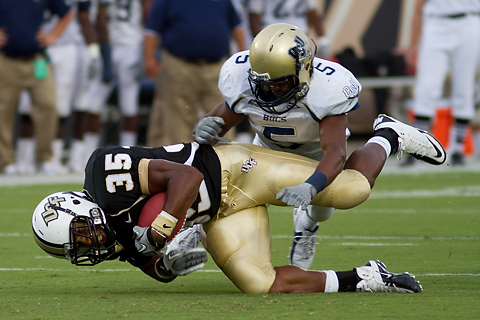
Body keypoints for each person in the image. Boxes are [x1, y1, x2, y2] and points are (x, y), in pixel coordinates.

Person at [173, 23, 446, 271]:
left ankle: (388, 136)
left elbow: (336, 153)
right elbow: (220, 121)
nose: (270, 94)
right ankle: (191, 225)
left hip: (315, 155)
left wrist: (311, 185)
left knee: (340, 199)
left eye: (279, 85)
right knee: (217, 173)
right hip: (265, 149)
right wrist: (206, 128)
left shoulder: (327, 88)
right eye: (263, 85)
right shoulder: (243, 79)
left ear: (303, 70)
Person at [32, 139, 426, 294]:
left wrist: (159, 232)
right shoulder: (114, 236)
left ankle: (386, 137)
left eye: (82, 235)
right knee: (259, 284)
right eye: (79, 249)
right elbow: (152, 267)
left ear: (80, 208)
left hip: (234, 169)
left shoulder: (104, 173)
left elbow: (187, 177)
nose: (91, 244)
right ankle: (367, 277)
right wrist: (170, 264)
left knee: (349, 190)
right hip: (218, 215)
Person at [143, 0, 247, 147]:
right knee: (178, 120)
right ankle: (181, 163)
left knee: (223, 116)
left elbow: (236, 26)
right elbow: (152, 30)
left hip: (217, 67)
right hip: (179, 65)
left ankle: (223, 164)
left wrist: (243, 56)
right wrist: (149, 59)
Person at [15, 0, 101, 175]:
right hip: (35, 48)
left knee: (59, 106)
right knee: (28, 105)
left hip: (66, 46)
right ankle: (25, 158)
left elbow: (80, 15)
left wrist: (93, 52)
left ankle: (51, 157)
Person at [0, 0, 73, 175]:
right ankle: (6, 161)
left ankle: (45, 158)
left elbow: (67, 13)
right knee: (3, 110)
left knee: (48, 104)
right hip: (7, 60)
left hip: (38, 59)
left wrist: (52, 35)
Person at [403, 0, 480, 166]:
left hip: (469, 21)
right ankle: (418, 147)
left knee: (464, 87)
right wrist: (412, 44)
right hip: (436, 23)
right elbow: (419, 6)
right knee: (427, 88)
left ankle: (458, 148)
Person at [248, 0, 329, 58]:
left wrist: (323, 41)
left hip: (299, 38)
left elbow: (312, 13)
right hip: (273, 37)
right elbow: (254, 17)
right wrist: (261, 42)